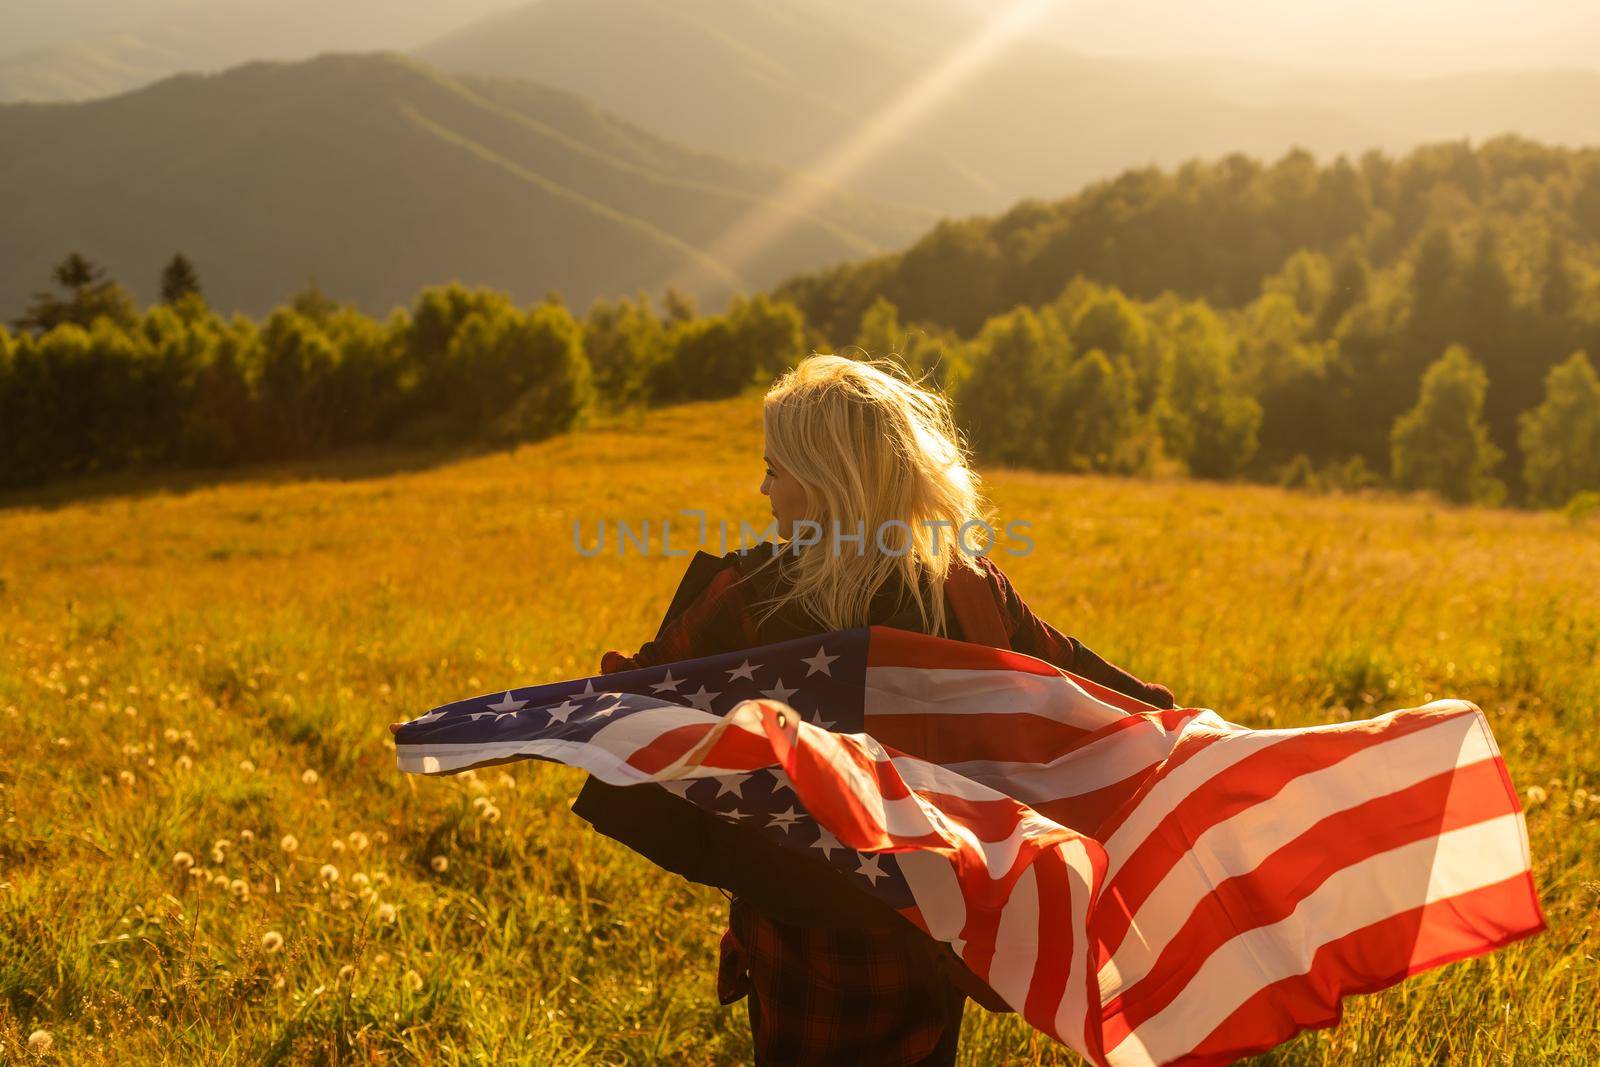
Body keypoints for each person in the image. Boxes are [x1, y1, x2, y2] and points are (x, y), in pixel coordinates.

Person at [571, 354, 1177, 1066]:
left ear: (829, 484)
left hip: (806, 946)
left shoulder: (749, 599)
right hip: (943, 939)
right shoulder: (967, 587)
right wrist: (1202, 740)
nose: (763, 490)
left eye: (776, 469)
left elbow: (633, 709)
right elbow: (1099, 694)